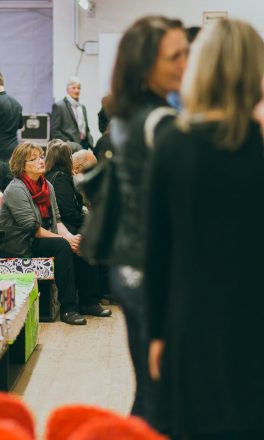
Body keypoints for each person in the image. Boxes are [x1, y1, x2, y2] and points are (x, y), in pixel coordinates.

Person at [146, 19, 264, 439]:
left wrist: (156, 332)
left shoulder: (174, 144)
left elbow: (157, 250)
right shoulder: (258, 142)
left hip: (191, 317)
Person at [104, 16, 188, 421]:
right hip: (151, 266)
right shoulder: (162, 124)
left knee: (149, 389)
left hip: (127, 264)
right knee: (161, 395)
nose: (185, 63)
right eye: (175, 56)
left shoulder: (125, 116)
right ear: (146, 64)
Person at [0, 142, 86, 325]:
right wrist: (65, 240)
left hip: (41, 238)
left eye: (41, 156)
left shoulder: (46, 185)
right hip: (22, 243)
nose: (41, 161)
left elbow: (58, 220)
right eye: (34, 158)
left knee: (80, 240)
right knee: (62, 246)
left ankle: (90, 301)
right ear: (22, 165)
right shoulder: (16, 189)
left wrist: (71, 238)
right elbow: (32, 228)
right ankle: (69, 309)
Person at [45, 141, 111, 318]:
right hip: (63, 227)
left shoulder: (53, 178)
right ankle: (90, 301)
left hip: (59, 226)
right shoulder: (61, 179)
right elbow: (68, 211)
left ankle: (89, 300)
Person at [50, 76, 94, 150]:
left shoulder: (82, 107)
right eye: (74, 88)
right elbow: (54, 130)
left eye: (79, 88)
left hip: (84, 145)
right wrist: (68, 143)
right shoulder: (59, 106)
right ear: (67, 89)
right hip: (69, 147)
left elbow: (86, 128)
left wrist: (90, 141)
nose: (77, 90)